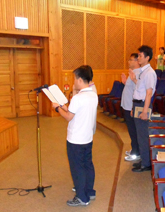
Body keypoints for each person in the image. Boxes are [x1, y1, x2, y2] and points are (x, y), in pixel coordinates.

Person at [53, 65, 99, 206]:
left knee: (77, 168)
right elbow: (74, 111)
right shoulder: (93, 94)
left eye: (74, 79)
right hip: (87, 137)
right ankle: (89, 192)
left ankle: (81, 198)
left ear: (79, 79)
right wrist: (64, 106)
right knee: (87, 165)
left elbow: (68, 117)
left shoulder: (78, 98)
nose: (73, 81)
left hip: (76, 140)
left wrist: (57, 108)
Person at [130, 45, 157, 172]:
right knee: (139, 134)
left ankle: (146, 164)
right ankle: (144, 159)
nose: (138, 58)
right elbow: (140, 89)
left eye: (140, 56)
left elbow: (148, 93)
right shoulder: (142, 72)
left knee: (142, 135)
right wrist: (135, 80)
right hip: (138, 104)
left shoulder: (150, 73)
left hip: (142, 106)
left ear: (147, 57)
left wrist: (145, 111)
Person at [121, 54, 141, 162]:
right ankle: (134, 149)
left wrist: (133, 107)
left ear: (137, 61)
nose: (129, 61)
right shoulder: (133, 73)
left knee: (133, 130)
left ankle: (136, 153)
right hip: (127, 105)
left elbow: (138, 92)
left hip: (131, 107)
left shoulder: (138, 74)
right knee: (131, 130)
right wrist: (125, 82)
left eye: (130, 59)